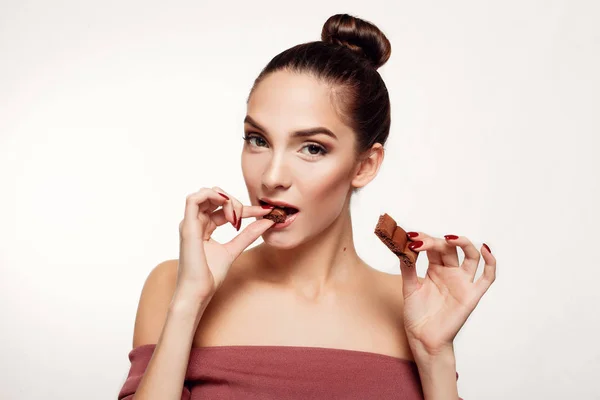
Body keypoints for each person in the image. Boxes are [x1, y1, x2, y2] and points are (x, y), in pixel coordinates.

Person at [118, 13, 496, 400]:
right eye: (258, 140)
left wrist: (435, 358)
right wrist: (188, 304)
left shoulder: (413, 309)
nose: (272, 176)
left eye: (312, 148)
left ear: (365, 166)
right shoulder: (174, 285)